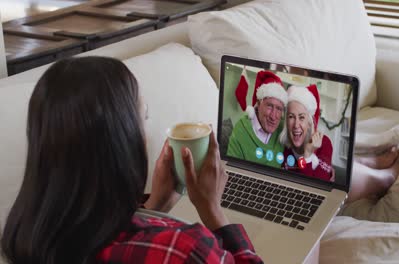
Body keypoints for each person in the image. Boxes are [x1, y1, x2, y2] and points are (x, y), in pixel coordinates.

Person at [0, 57, 263, 264]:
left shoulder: (24, 235)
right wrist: (213, 210)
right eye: (143, 117)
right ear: (121, 140)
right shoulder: (184, 250)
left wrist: (154, 206)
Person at [227, 70, 288, 168]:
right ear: (258, 104)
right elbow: (231, 170)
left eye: (279, 109)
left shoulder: (282, 130)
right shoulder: (241, 130)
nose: (273, 116)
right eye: (269, 106)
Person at [279, 85, 333, 181]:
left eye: (301, 117)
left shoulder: (325, 143)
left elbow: (315, 187)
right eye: (291, 117)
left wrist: (307, 154)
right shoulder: (285, 147)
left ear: (309, 122)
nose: (296, 125)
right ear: (286, 122)